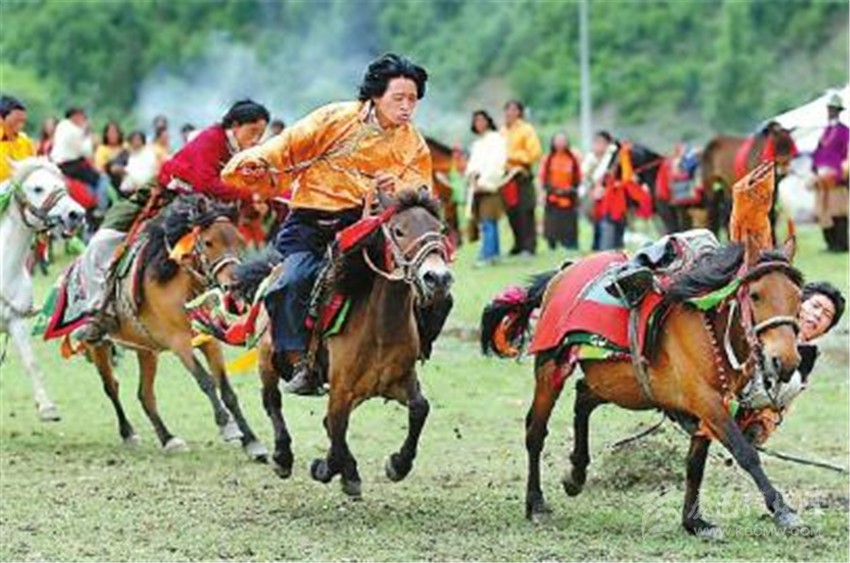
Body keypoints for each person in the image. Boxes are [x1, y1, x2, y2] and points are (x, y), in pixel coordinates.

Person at [221, 53, 435, 395]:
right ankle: (299, 361)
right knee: (293, 281)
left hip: (366, 228)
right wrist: (256, 160)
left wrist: (394, 188)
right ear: (376, 95)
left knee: (429, 286)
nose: (407, 106)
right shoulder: (334, 118)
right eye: (399, 98)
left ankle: (409, 354)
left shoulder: (413, 143)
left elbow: (420, 191)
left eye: (413, 99)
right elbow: (286, 145)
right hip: (312, 224)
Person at [73, 100, 270, 343]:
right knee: (102, 241)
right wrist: (251, 195)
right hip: (164, 195)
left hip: (205, 208)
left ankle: (231, 305)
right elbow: (206, 183)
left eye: (261, 134)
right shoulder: (211, 139)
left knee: (228, 246)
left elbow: (253, 187)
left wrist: (258, 203)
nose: (257, 139)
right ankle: (97, 311)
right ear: (235, 125)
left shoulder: (246, 154)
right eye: (253, 132)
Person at [737, 281, 846, 445]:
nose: (817, 315)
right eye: (815, 306)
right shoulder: (761, 324)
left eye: (827, 315)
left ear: (826, 330)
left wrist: (760, 426)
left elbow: (774, 413)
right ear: (797, 302)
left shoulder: (806, 359)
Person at [500, 100, 542, 256]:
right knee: (511, 211)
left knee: (526, 210)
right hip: (506, 176)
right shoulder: (502, 131)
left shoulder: (526, 129)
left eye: (514, 109)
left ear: (520, 112)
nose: (510, 113)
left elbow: (534, 153)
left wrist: (512, 156)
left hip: (521, 174)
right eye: (508, 109)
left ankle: (529, 246)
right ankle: (517, 244)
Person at [50, 107, 110, 214]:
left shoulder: (61, 126)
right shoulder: (75, 130)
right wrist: (88, 135)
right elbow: (86, 152)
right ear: (75, 117)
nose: (84, 120)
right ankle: (100, 207)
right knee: (102, 178)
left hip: (59, 164)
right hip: (72, 166)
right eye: (83, 117)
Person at [466, 110, 506, 267]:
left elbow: (497, 163)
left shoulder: (496, 139)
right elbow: (472, 165)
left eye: (482, 120)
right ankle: (493, 254)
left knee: (489, 221)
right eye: (476, 121)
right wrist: (472, 178)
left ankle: (487, 255)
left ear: (488, 121)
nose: (479, 124)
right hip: (476, 187)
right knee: (486, 221)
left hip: (490, 186)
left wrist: (483, 181)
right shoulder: (477, 143)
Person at [811, 93, 849, 252]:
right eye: (829, 109)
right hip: (821, 177)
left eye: (832, 109)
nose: (830, 112)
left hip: (836, 177)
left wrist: (842, 173)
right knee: (823, 212)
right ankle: (830, 243)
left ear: (838, 111)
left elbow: (846, 153)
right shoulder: (825, 131)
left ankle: (841, 244)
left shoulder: (844, 131)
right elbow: (818, 151)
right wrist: (814, 167)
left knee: (838, 212)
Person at [540, 132, 582, 251]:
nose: (560, 143)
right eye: (558, 140)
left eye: (563, 140)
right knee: (552, 223)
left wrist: (570, 189)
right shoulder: (548, 158)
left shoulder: (572, 158)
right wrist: (551, 190)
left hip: (568, 196)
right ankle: (552, 244)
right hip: (553, 196)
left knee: (569, 223)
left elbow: (577, 177)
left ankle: (570, 243)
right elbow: (543, 177)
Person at [582, 131, 618, 250]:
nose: (599, 145)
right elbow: (586, 177)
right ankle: (597, 244)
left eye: (602, 142)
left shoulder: (612, 158)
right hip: (593, 193)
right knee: (595, 218)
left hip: (610, 194)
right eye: (596, 142)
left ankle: (609, 244)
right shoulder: (590, 158)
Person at [0, 95, 36, 183]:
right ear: (1, 118)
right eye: (16, 121)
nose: (20, 125)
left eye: (23, 121)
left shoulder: (26, 142)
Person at [94, 121, 128, 190]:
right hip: (111, 178)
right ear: (106, 134)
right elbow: (99, 167)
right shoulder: (102, 149)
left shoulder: (125, 146)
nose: (113, 135)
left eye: (115, 132)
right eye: (110, 133)